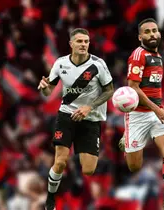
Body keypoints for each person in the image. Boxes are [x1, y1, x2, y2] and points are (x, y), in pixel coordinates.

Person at [38, 28, 114, 210]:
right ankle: (50, 199)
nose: (83, 45)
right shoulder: (60, 63)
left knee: (88, 169)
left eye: (86, 42)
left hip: (90, 117)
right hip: (66, 114)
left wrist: (90, 107)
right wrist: (44, 88)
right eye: (79, 41)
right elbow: (49, 90)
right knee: (60, 161)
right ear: (71, 44)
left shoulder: (98, 65)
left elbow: (109, 90)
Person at [118, 18, 164, 210]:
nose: (152, 34)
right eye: (147, 32)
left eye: (154, 31)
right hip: (138, 115)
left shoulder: (157, 56)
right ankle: (126, 138)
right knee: (134, 166)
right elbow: (133, 87)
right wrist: (156, 108)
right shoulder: (138, 55)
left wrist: (160, 106)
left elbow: (153, 89)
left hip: (156, 112)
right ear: (140, 36)